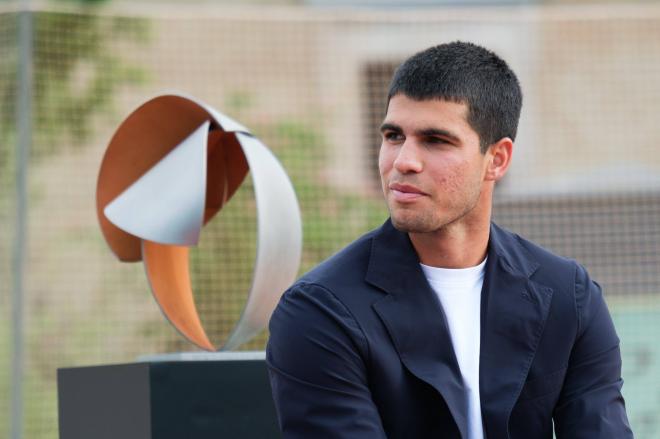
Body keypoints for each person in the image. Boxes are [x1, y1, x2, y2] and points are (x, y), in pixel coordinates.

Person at [266, 41, 633, 438]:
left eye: (435, 140)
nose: (403, 161)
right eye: (393, 136)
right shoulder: (322, 310)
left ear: (497, 159)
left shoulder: (568, 295)